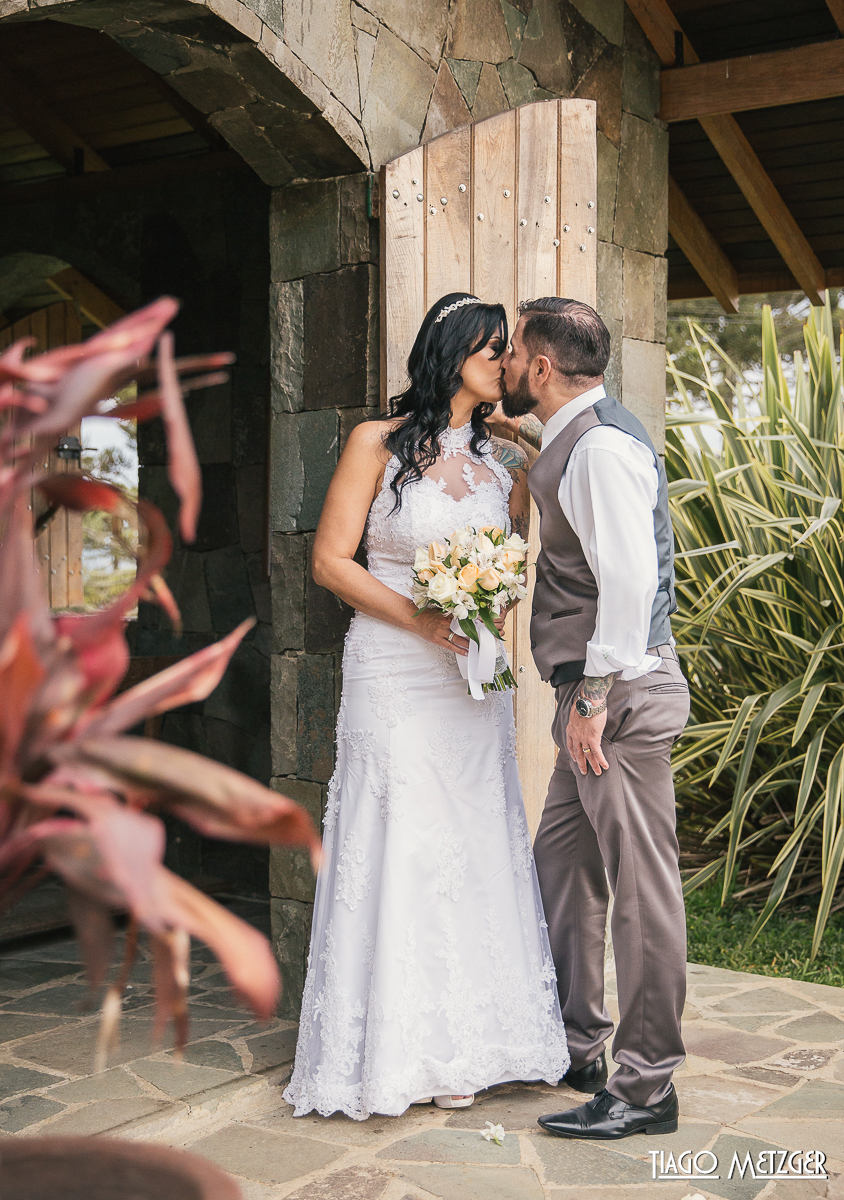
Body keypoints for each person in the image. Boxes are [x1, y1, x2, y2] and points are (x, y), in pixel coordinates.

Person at [283, 292, 569, 1121]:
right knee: (399, 836)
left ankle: (475, 1045)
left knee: (471, 836)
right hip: (391, 667)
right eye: (491, 350)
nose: (504, 363)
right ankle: (394, 1049)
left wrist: (485, 617)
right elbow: (332, 562)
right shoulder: (375, 443)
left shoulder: (508, 463)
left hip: (465, 680)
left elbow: (509, 572)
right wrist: (424, 618)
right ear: (453, 354)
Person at [494, 297, 689, 1140]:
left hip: (617, 701)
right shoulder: (581, 439)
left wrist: (594, 703)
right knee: (562, 869)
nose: (503, 367)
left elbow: (629, 585)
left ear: (540, 366)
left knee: (641, 893)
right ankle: (578, 1044)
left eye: (512, 356)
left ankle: (647, 1090)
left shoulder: (601, 450)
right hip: (595, 701)